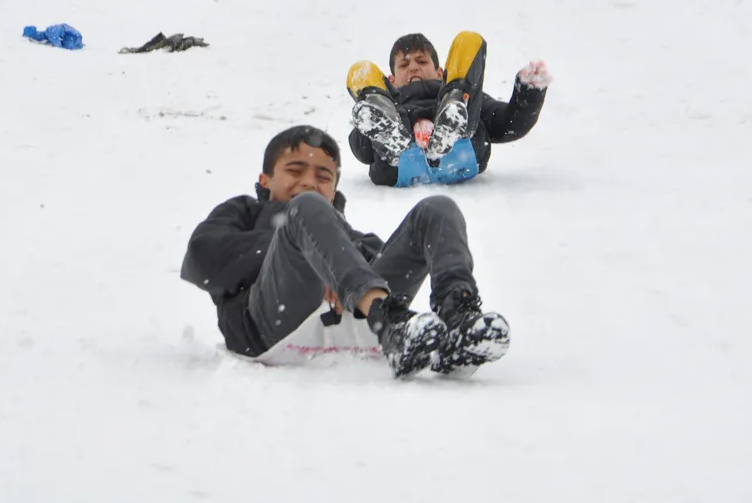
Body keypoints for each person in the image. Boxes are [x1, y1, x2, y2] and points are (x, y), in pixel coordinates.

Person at [180, 125, 510, 378]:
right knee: (306, 210)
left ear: (335, 188)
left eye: (322, 176)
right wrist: (310, 257)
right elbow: (201, 257)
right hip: (273, 330)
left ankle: (457, 323)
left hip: (352, 327)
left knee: (437, 209)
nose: (309, 181)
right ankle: (387, 321)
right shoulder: (246, 212)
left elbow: (376, 265)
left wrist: (334, 266)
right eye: (295, 171)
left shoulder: (346, 235)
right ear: (265, 179)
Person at [346, 31, 551, 187]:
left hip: (461, 143)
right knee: (361, 70)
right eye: (403, 65)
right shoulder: (395, 102)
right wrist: (367, 126)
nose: (413, 67)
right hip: (399, 159)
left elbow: (506, 124)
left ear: (439, 72)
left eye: (421, 61)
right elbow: (363, 151)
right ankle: (392, 136)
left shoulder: (464, 96)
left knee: (469, 40)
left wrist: (529, 93)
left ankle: (452, 120)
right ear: (392, 80)